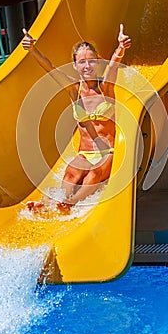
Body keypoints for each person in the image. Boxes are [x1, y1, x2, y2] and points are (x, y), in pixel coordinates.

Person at [22, 24, 131, 213]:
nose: (87, 66)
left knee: (93, 174)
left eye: (91, 61)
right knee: (72, 172)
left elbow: (113, 66)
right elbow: (51, 68)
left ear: (98, 62)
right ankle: (50, 204)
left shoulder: (105, 88)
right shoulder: (74, 90)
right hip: (85, 153)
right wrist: (33, 50)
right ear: (74, 65)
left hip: (109, 152)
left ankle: (70, 204)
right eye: (81, 62)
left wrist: (120, 48)